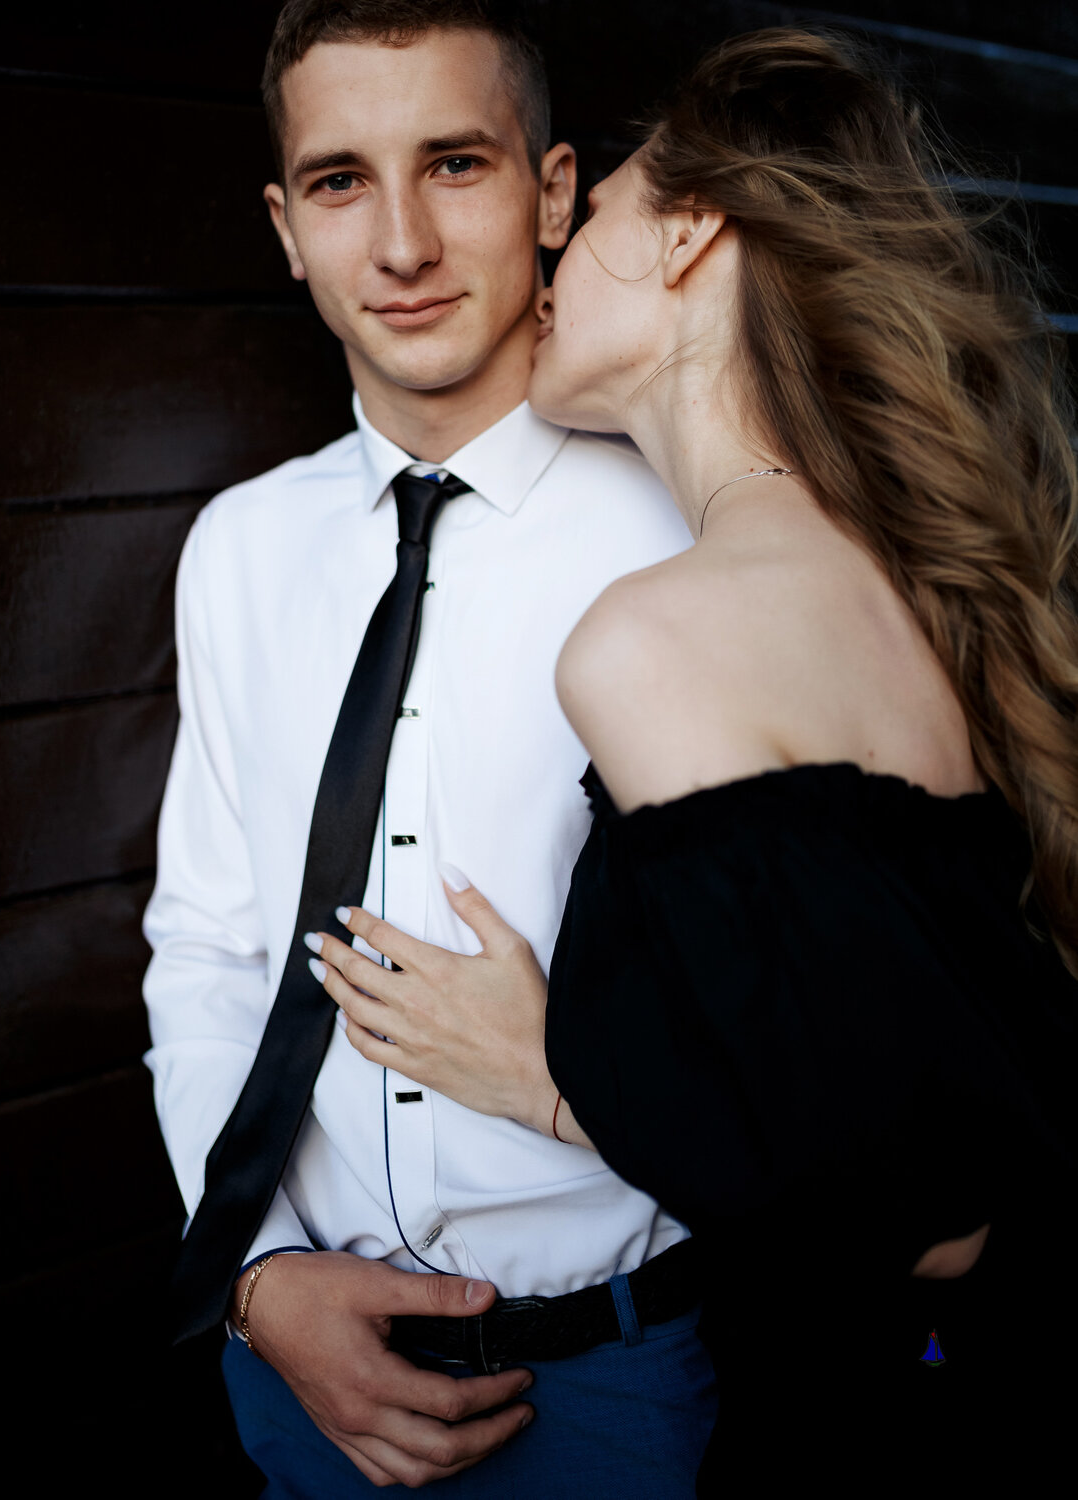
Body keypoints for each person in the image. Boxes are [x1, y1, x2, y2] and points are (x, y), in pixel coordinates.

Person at [308, 27, 1078, 1487]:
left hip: (850, 1416)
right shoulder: (896, 589)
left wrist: (549, 1078)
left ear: (687, 235)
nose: (551, 257)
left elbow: (918, 1212)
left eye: (594, 208)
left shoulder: (653, 641)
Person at [143, 1, 720, 1494]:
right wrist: (258, 1277)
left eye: (454, 164)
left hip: (616, 1385)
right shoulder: (238, 550)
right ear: (287, 229)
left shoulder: (694, 540)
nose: (400, 244)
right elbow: (206, 947)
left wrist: (568, 1068)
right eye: (341, 181)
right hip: (293, 1379)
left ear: (551, 192)